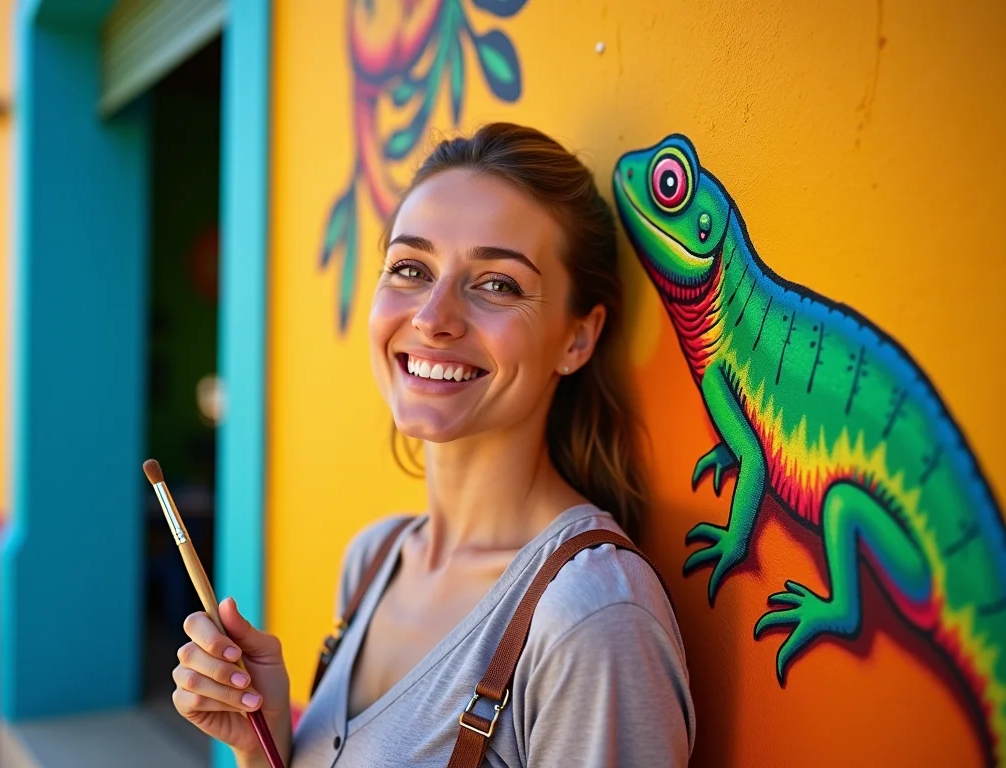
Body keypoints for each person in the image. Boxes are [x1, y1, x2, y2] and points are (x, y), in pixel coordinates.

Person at [172, 123, 696, 766]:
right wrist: (263, 740)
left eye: (497, 283)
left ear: (577, 339)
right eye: (411, 269)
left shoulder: (590, 619)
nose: (431, 318)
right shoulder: (373, 560)